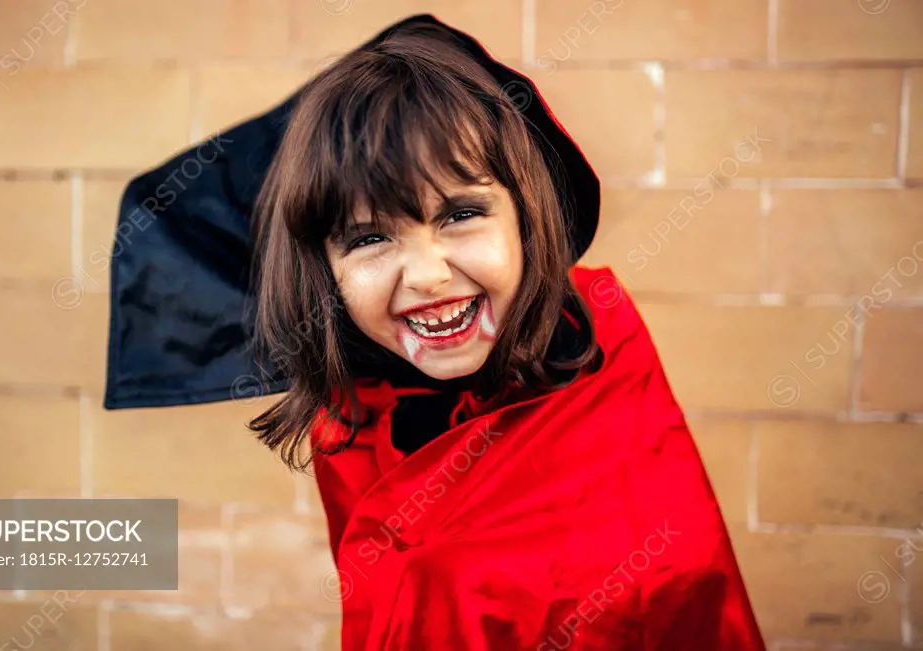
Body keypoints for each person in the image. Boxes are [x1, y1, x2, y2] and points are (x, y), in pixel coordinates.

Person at [245, 16, 768, 651]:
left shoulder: (604, 357)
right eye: (370, 237)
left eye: (461, 214)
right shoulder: (353, 420)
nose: (429, 276)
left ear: (526, 215)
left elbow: (682, 594)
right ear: (324, 270)